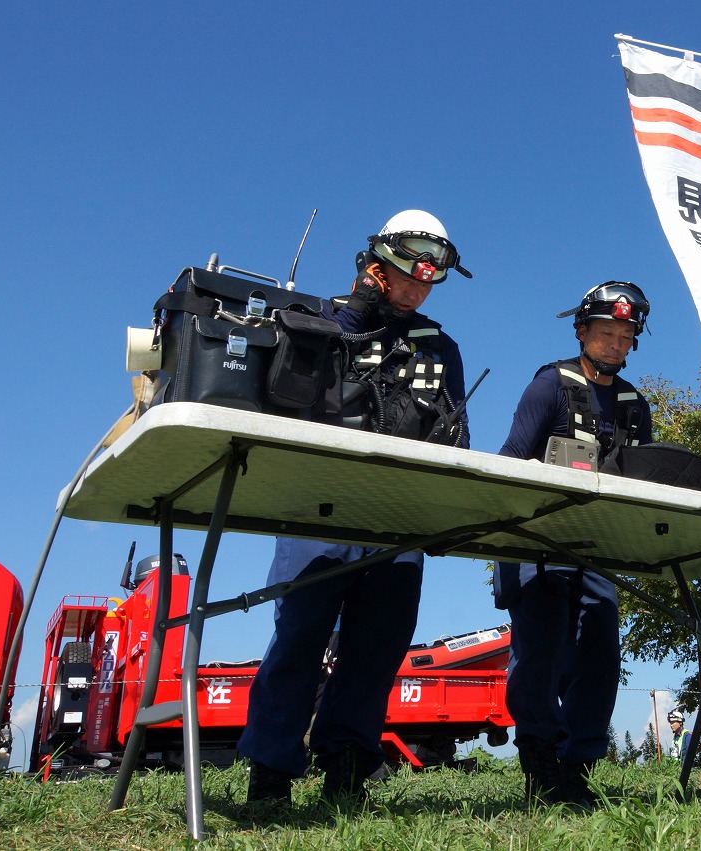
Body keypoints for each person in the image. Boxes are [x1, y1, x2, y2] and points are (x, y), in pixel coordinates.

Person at [238, 210, 471, 804]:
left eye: (429, 280)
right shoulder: (319, 322)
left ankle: (346, 769)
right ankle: (271, 774)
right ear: (376, 264)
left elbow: (457, 436)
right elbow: (287, 394)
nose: (419, 288)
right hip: (318, 506)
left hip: (400, 518)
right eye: (409, 275)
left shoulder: (441, 347)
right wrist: (356, 313)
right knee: (298, 639)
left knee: (376, 650)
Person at [492, 282, 653, 807]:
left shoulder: (634, 405)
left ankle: (578, 764)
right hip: (538, 540)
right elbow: (512, 457)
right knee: (538, 653)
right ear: (582, 331)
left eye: (625, 335)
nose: (614, 343)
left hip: (596, 547)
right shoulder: (549, 386)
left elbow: (645, 478)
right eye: (605, 332)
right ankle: (540, 757)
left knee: (600, 656)